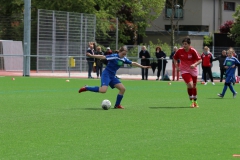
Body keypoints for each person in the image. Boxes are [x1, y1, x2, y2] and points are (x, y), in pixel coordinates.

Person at [78, 46, 151, 109]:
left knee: (122, 89)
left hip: (112, 76)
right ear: (120, 52)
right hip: (106, 74)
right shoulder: (114, 56)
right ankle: (87, 87)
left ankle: (117, 105)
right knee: (103, 90)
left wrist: (143, 66)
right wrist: (91, 55)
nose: (124, 55)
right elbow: (103, 57)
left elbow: (133, 63)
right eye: (123, 54)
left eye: (125, 54)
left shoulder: (124, 59)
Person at [173, 37, 202, 108]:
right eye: (183, 44)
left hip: (193, 70)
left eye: (185, 44)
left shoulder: (193, 51)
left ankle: (195, 101)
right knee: (190, 84)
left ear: (189, 44)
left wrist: (194, 64)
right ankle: (191, 101)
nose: (184, 45)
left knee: (194, 86)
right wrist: (177, 67)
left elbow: (200, 60)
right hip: (184, 70)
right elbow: (174, 58)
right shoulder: (179, 51)